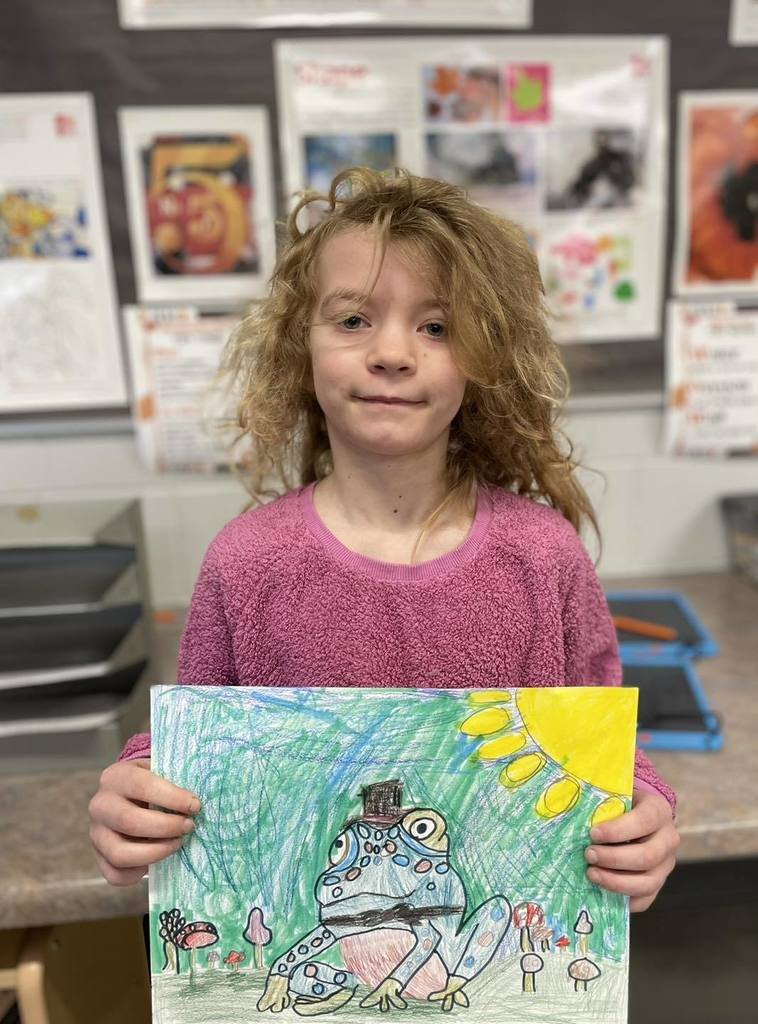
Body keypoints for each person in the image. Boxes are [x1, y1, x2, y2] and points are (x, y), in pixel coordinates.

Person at [89, 166, 679, 914]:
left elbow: (603, 750)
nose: (392, 352)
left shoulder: (542, 556)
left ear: (483, 360)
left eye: (436, 327)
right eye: (353, 320)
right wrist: (136, 798)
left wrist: (645, 815)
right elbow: (196, 747)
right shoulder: (247, 563)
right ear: (301, 350)